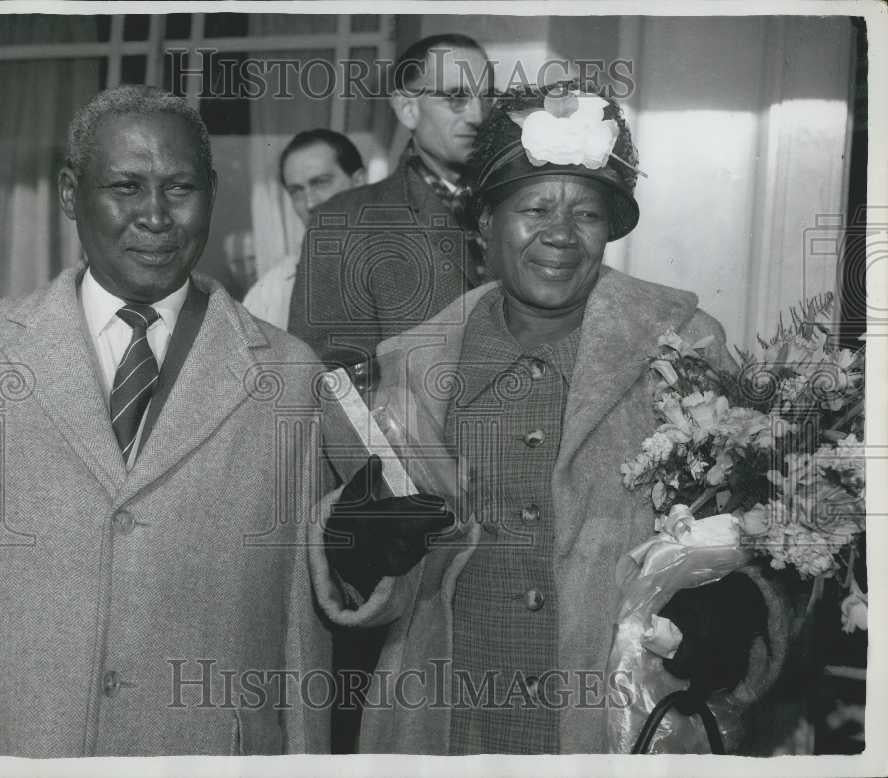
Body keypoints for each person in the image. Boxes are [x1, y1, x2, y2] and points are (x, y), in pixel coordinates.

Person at [308, 85, 791, 754]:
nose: (561, 235)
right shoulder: (413, 364)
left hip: (616, 723)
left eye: (588, 214)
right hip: (446, 723)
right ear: (484, 224)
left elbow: (766, 524)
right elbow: (382, 577)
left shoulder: (684, 348)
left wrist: (738, 606)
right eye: (534, 209)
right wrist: (356, 544)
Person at [0, 86, 329, 757]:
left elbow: (301, 631)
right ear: (71, 194)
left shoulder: (290, 375)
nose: (155, 216)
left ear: (213, 193)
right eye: (126, 187)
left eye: (180, 187)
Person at [287, 33, 494, 364]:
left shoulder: (518, 206)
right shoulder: (345, 223)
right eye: (456, 97)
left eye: (487, 98)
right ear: (408, 108)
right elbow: (332, 379)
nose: (477, 116)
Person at [243, 129, 366, 329]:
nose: (309, 203)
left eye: (320, 183)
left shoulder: (408, 265)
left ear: (359, 181)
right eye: (296, 191)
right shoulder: (269, 294)